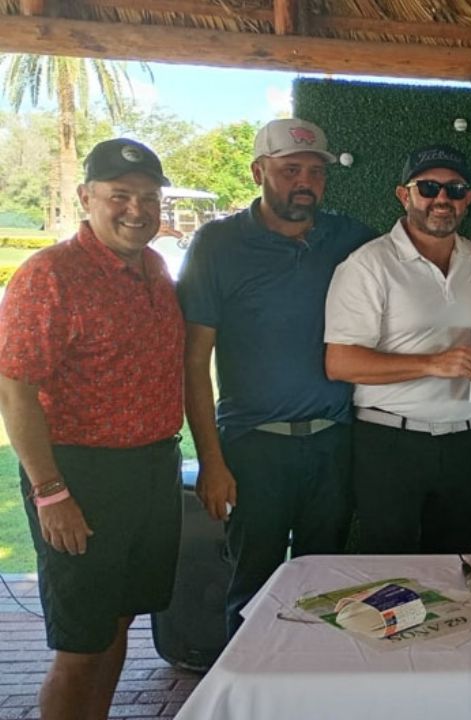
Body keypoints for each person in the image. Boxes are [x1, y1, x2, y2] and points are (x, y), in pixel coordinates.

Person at [0, 139, 183, 720]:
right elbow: (14, 389)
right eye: (120, 195)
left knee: (118, 620)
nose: (137, 210)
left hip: (152, 469)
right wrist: (50, 492)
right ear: (86, 197)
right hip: (80, 477)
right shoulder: (49, 275)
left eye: (148, 197)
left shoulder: (154, 268)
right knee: (80, 644)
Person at [177, 118, 375, 635]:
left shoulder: (349, 238)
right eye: (290, 170)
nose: (304, 182)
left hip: (333, 446)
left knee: (327, 590)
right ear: (257, 172)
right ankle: (243, 683)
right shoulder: (217, 244)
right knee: (252, 591)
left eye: (315, 171)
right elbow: (194, 362)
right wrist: (211, 462)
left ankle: (311, 682)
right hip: (252, 449)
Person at [324, 145, 471, 553]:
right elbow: (339, 362)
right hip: (390, 443)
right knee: (389, 565)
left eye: (455, 189)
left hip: (465, 441)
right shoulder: (368, 265)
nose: (442, 199)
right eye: (428, 187)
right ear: (404, 195)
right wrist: (433, 364)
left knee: (454, 564)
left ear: (468, 198)